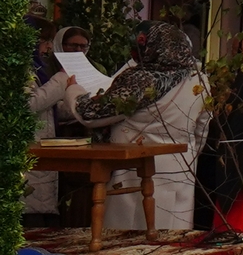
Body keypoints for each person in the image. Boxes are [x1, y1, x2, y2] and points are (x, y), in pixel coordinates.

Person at [71, 21, 211, 232]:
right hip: (180, 169)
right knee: (172, 242)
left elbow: (91, 115)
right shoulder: (200, 80)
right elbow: (201, 130)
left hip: (133, 169)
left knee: (126, 241)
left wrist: (73, 90)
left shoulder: (143, 80)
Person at [26, 25, 86, 218]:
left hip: (42, 146)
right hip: (29, 148)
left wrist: (78, 105)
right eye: (44, 42)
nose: (48, 47)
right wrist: (62, 79)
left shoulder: (35, 66)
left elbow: (50, 109)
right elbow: (28, 104)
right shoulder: (18, 68)